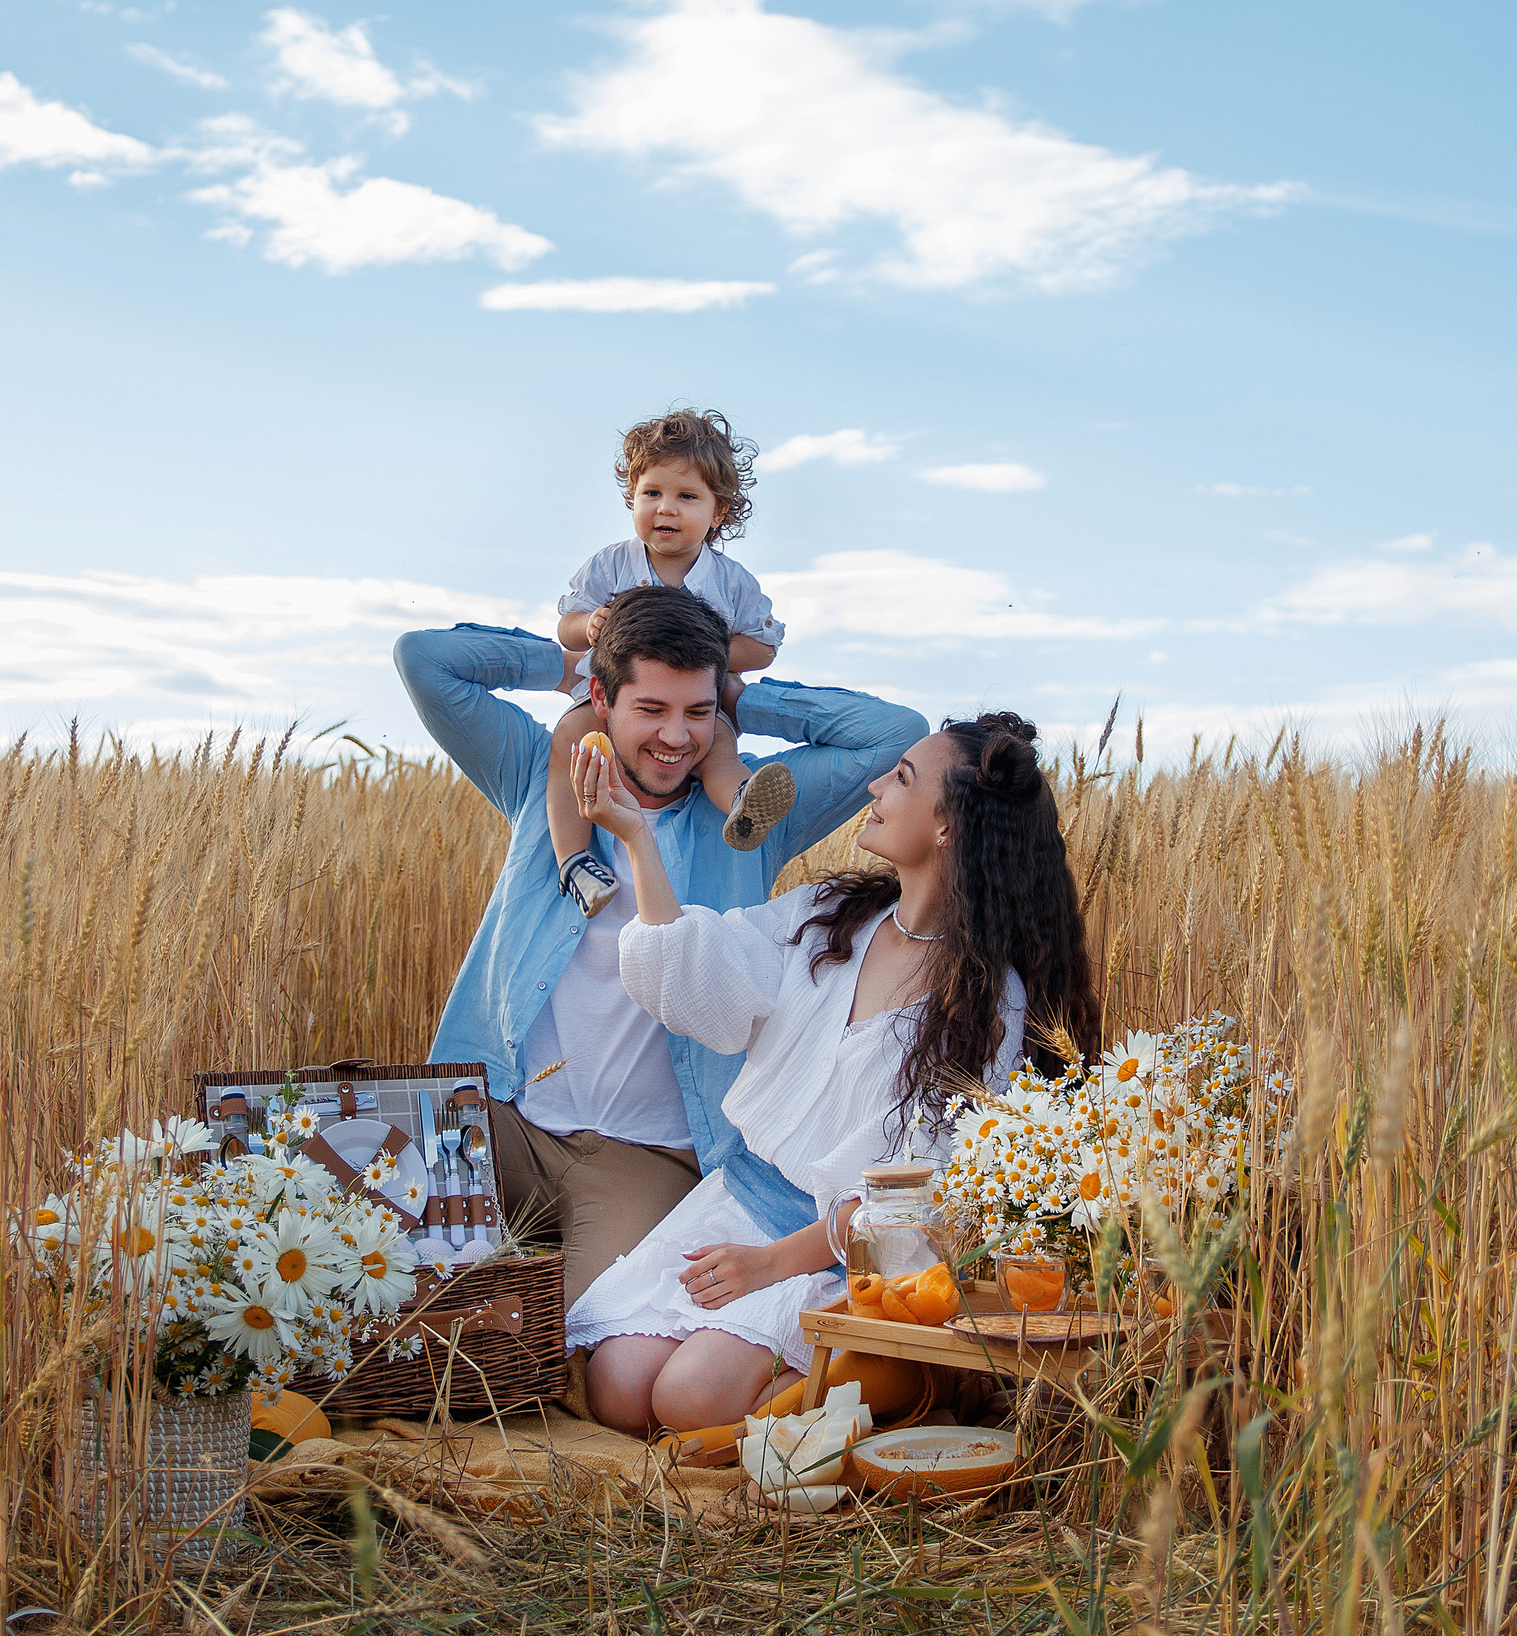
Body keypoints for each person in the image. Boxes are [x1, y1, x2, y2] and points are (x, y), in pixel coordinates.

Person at [564, 713, 1103, 1435]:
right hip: (737, 1205)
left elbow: (923, 1199)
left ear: (949, 826)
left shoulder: (984, 1002)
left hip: (843, 1259)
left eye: (903, 777)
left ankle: (901, 1390)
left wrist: (772, 1264)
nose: (876, 785)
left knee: (687, 1400)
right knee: (618, 1385)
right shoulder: (833, 916)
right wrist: (634, 836)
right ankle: (826, 1396)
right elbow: (703, 969)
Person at [393, 585, 926, 1311]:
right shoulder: (536, 772)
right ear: (604, 702)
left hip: (643, 1156)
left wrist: (743, 701)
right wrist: (565, 665)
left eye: (696, 712)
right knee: (362, 1258)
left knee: (574, 1337)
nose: (677, 737)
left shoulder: (745, 811)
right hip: (501, 1115)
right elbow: (424, 659)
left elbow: (896, 729)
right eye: (652, 708)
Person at [549, 409, 794, 918]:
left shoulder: (730, 581)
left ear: (718, 512)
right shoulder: (612, 564)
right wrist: (590, 624)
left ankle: (744, 805)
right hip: (615, 699)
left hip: (697, 708)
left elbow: (764, 647)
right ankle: (574, 861)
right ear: (632, 498)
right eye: (652, 493)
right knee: (569, 739)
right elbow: (565, 625)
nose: (667, 508)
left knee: (718, 751)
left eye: (687, 497)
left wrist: (708, 647)